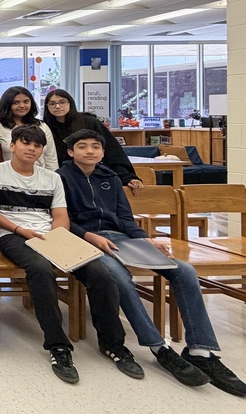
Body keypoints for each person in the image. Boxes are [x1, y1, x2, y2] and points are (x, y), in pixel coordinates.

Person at [58, 129, 246, 396]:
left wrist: (147, 239)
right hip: (87, 240)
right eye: (82, 146)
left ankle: (200, 350)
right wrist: (91, 237)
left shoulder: (110, 177)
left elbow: (124, 218)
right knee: (120, 277)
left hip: (123, 238)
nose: (89, 151)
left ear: (102, 152)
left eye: (95, 147)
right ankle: (159, 346)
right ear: (70, 152)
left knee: (184, 271)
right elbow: (63, 221)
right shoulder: (61, 178)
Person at [0, 125, 136, 384]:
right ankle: (58, 346)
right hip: (12, 235)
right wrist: (21, 229)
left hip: (51, 235)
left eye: (37, 145)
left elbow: (61, 215)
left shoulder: (51, 177)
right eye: (25, 142)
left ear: (42, 150)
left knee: (100, 273)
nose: (31, 148)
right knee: (40, 270)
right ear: (14, 145)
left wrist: (57, 238)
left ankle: (113, 345)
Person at [44, 89, 142, 193]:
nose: (58, 106)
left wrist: (127, 177)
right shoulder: (45, 127)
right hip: (62, 179)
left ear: (70, 103)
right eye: (52, 104)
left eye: (62, 102)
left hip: (93, 175)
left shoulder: (89, 122)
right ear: (47, 106)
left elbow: (112, 150)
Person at [0, 86, 59, 170]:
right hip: (5, 177)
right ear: (6, 104)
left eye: (26, 101)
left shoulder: (42, 126)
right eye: (16, 102)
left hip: (39, 178)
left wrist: (53, 179)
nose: (22, 105)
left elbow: (51, 159)